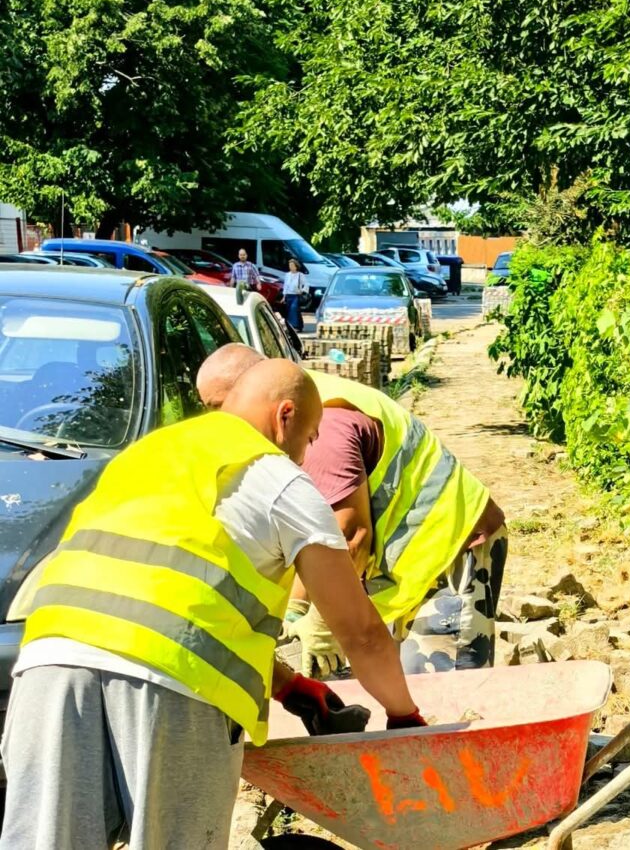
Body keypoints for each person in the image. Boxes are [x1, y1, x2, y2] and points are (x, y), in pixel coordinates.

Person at [0, 359, 425, 850]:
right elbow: (362, 634)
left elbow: (160, 599)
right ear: (285, 416)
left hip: (47, 666)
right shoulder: (280, 480)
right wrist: (403, 716)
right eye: (310, 438)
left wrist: (287, 686)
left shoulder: (146, 454)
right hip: (171, 688)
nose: (307, 453)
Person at [198, 345, 507, 674]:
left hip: (451, 551)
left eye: (220, 406)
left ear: (254, 388)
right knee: (407, 685)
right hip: (412, 566)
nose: (219, 421)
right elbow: (312, 538)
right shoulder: (295, 406)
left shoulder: (319, 426)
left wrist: (321, 621)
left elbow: (350, 537)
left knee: (442, 693)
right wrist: (296, 610)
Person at [281, 257, 306, 332]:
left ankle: (294, 326)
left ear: (296, 266)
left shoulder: (300, 275)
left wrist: (301, 291)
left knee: (293, 309)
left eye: (292, 265)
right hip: (288, 295)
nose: (290, 267)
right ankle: (298, 325)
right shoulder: (287, 275)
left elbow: (306, 285)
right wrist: (284, 296)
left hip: (296, 295)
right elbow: (285, 286)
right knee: (291, 311)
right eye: (290, 265)